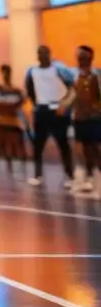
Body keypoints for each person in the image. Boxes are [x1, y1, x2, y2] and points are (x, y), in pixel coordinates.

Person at [25, 45, 76, 188]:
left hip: (58, 110)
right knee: (38, 144)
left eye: (45, 53)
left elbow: (72, 88)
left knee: (63, 143)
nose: (42, 56)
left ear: (49, 54)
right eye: (39, 53)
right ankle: (38, 174)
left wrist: (64, 105)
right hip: (42, 109)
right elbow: (29, 89)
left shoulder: (59, 69)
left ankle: (69, 175)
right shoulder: (32, 71)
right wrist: (37, 104)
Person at [71, 45, 101, 195]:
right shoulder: (74, 75)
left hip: (94, 118)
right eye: (79, 56)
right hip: (80, 118)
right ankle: (88, 179)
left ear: (90, 58)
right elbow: (71, 95)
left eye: (84, 56)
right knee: (85, 149)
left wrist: (96, 109)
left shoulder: (97, 75)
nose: (81, 59)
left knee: (97, 149)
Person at [0, 65, 28, 174]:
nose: (5, 75)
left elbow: (20, 101)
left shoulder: (16, 91)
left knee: (15, 145)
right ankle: (1, 170)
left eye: (7, 72)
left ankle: (18, 169)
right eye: (3, 73)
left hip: (12, 121)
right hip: (1, 121)